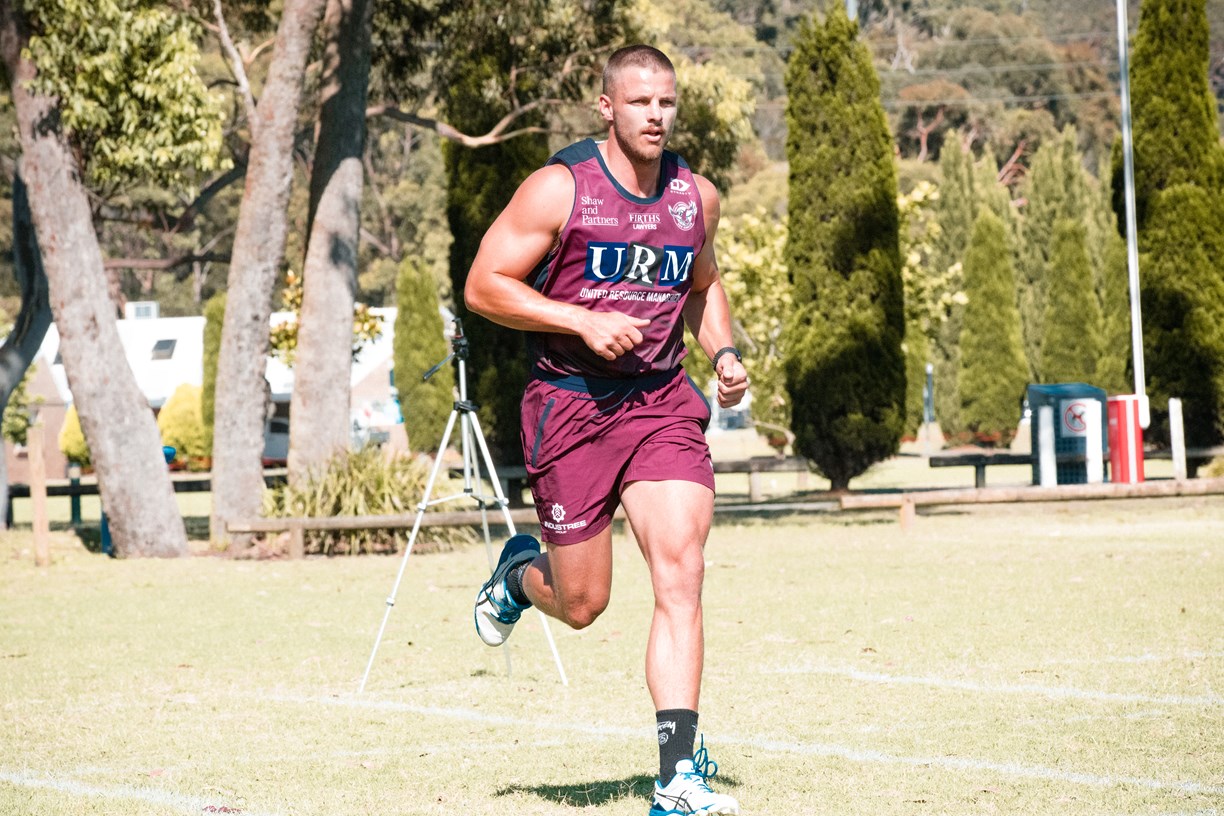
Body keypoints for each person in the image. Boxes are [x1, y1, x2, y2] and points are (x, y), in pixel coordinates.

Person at [464, 44, 748, 816]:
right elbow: (484, 284)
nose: (655, 115)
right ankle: (518, 578)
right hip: (572, 406)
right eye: (640, 102)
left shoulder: (696, 197)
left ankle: (677, 777)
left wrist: (723, 353)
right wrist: (580, 320)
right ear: (607, 107)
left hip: (660, 403)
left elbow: (703, 284)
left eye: (666, 102)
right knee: (584, 603)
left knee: (682, 571)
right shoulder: (560, 189)